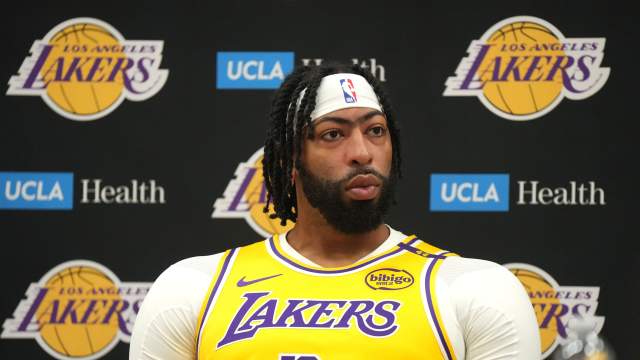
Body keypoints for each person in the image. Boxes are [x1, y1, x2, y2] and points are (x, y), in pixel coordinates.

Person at [129, 63, 541, 359]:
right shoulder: (193, 288)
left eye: (375, 130)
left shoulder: (473, 290)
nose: (362, 152)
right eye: (333, 135)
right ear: (291, 160)